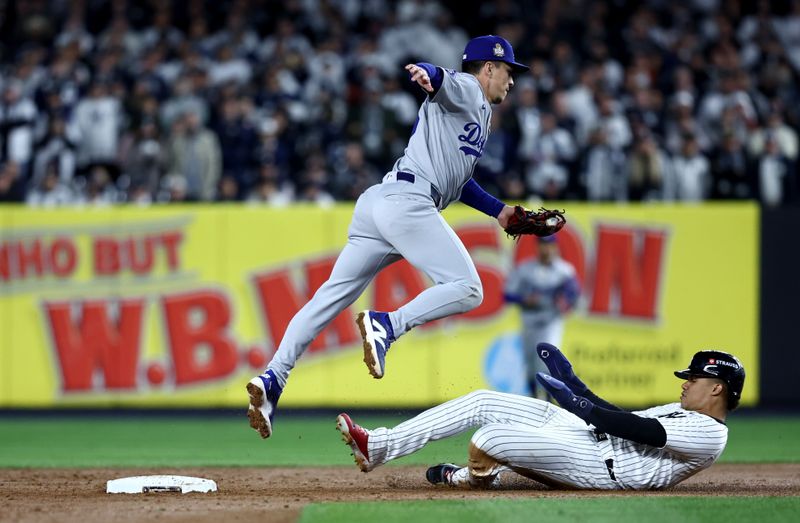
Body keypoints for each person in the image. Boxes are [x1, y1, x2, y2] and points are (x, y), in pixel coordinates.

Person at [247, 35, 532, 440]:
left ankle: (274, 377)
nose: (512, 80)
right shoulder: (470, 89)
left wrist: (500, 211)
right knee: (469, 288)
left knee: (331, 295)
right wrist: (426, 73)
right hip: (409, 203)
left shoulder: (478, 113)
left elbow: (460, 181)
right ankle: (388, 325)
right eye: (507, 70)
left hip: (382, 203)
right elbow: (444, 79)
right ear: (488, 68)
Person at [336, 343, 745, 490]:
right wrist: (577, 386)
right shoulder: (683, 408)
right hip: (589, 438)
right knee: (482, 400)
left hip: (604, 471)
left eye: (692, 378)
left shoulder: (711, 435)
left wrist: (578, 405)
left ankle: (471, 478)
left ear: (716, 388)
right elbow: (621, 417)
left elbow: (635, 430)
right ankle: (380, 446)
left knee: (491, 438)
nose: (684, 383)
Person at [504, 235, 580, 399]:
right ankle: (535, 402)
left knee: (548, 361)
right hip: (529, 322)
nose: (545, 249)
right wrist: (524, 299)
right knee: (531, 367)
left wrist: (565, 302)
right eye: (542, 244)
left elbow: (574, 295)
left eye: (549, 245)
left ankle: (549, 403)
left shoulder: (564, 271)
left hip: (550, 322)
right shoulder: (525, 269)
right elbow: (507, 295)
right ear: (537, 246)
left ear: (555, 247)